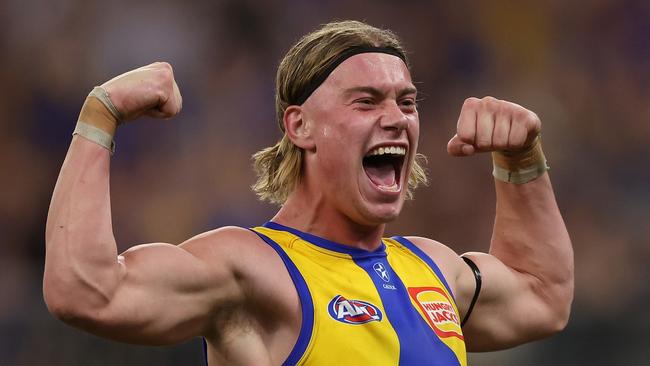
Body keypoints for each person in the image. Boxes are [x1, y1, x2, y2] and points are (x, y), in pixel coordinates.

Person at [44, 20, 573, 365]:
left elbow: (544, 297)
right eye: (366, 102)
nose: (395, 119)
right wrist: (101, 116)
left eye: (407, 103)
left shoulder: (433, 269)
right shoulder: (252, 271)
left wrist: (522, 162)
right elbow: (86, 292)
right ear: (300, 126)